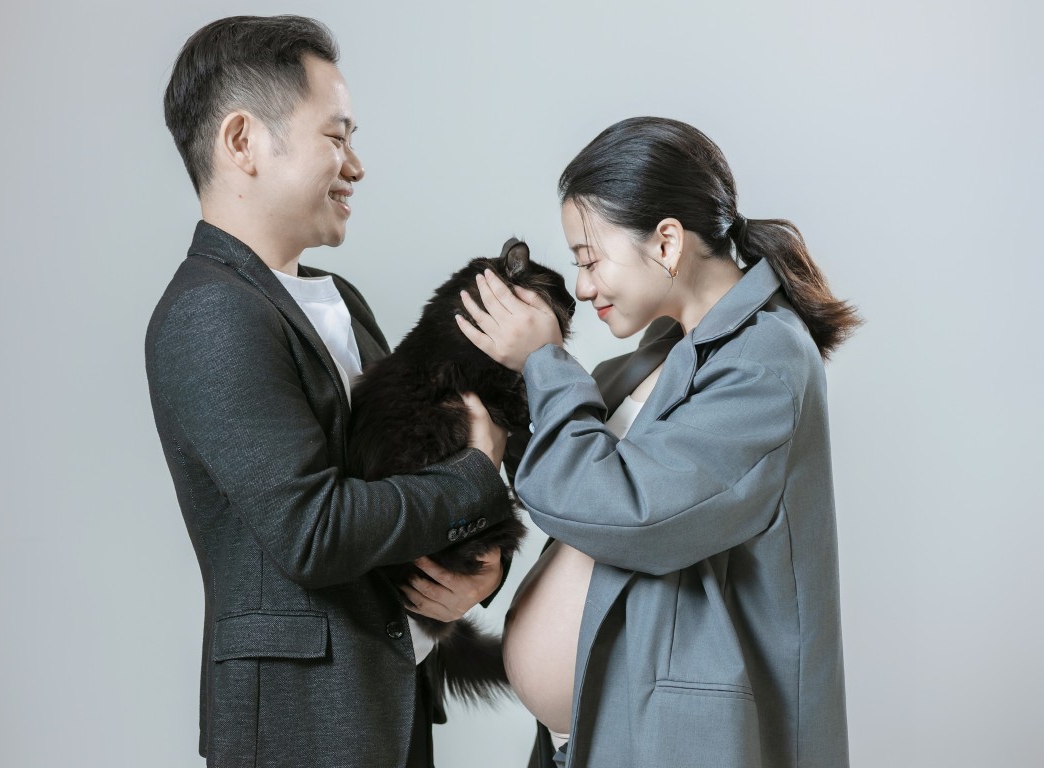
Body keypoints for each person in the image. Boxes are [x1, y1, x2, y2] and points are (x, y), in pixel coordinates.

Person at [145, 16, 512, 768]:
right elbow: (314, 531)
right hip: (303, 729)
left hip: (386, 706)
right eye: (336, 138)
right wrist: (478, 477)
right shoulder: (211, 312)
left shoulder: (339, 300)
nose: (357, 166)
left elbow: (401, 482)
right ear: (242, 141)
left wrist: (476, 573)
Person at [457, 117, 860, 768]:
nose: (582, 286)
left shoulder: (764, 363)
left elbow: (627, 512)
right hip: (594, 737)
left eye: (589, 259)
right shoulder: (661, 354)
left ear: (667, 242)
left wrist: (544, 363)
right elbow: (568, 488)